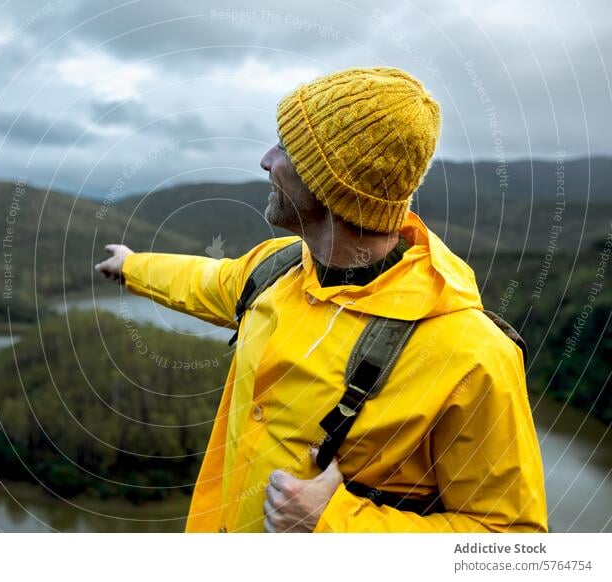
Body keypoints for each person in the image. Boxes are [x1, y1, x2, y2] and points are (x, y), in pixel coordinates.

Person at [95, 67, 548, 533]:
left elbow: (511, 540)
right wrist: (132, 266)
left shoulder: (473, 353)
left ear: (331, 184)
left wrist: (335, 524)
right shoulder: (277, 269)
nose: (266, 160)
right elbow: (210, 280)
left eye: (286, 148)